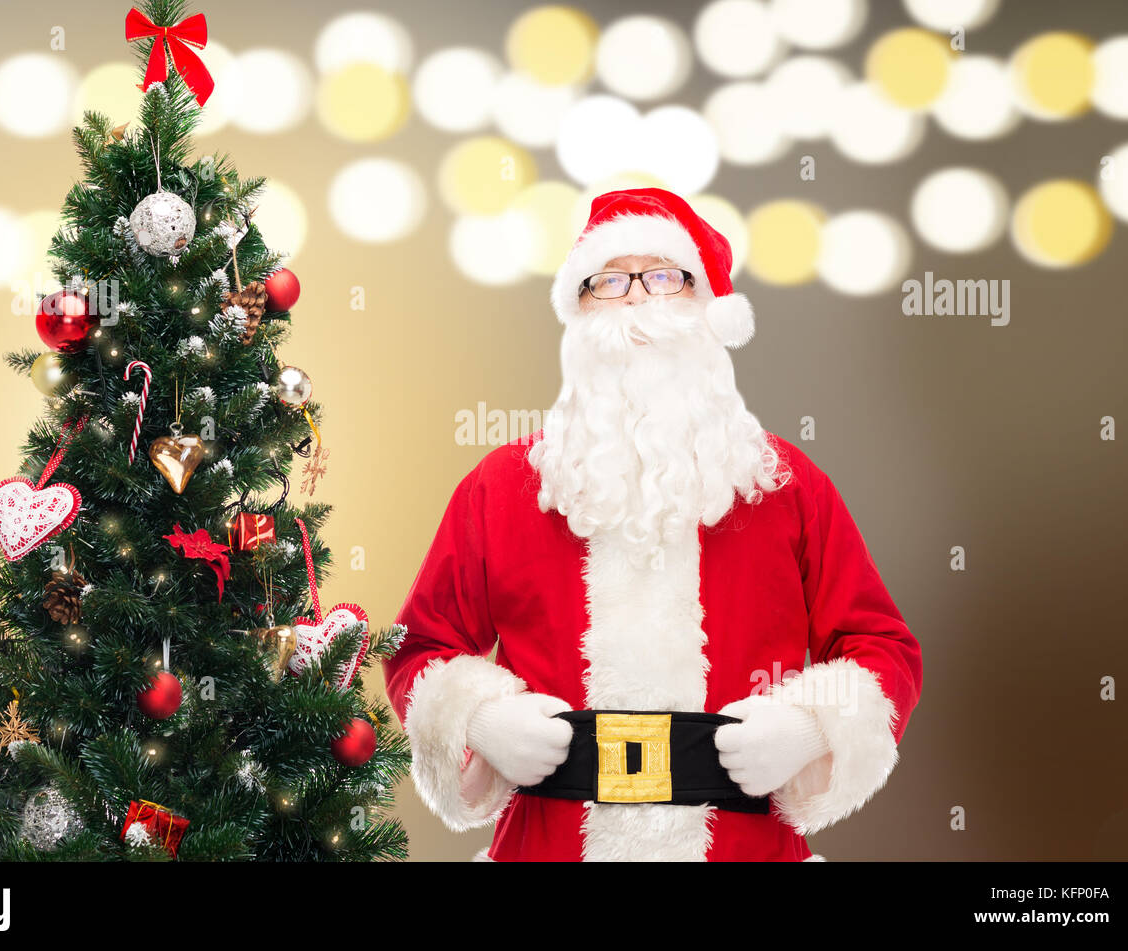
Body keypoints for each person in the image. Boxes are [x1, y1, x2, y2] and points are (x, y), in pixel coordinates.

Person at [383, 187, 923, 861]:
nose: (637, 298)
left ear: (706, 309)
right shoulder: (499, 487)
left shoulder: (786, 485)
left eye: (664, 276)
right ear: (576, 312)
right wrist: (483, 718)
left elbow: (882, 647)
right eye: (607, 281)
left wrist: (808, 725)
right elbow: (419, 648)